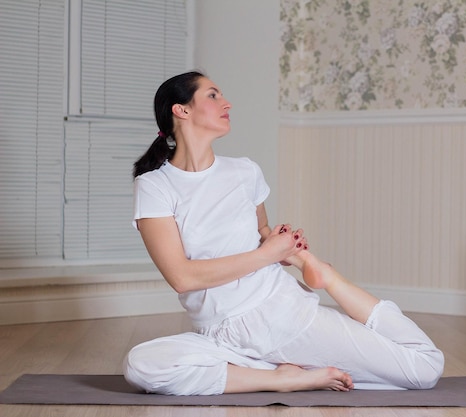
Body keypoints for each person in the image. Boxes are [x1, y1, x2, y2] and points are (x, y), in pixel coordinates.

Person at [123, 71, 444, 395]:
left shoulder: (245, 172)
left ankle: (327, 278)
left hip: (279, 316)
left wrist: (285, 247)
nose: (226, 102)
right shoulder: (154, 185)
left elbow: (262, 231)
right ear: (182, 110)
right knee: (141, 365)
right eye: (213, 95)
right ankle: (282, 377)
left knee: (424, 366)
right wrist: (267, 253)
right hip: (220, 333)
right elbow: (182, 277)